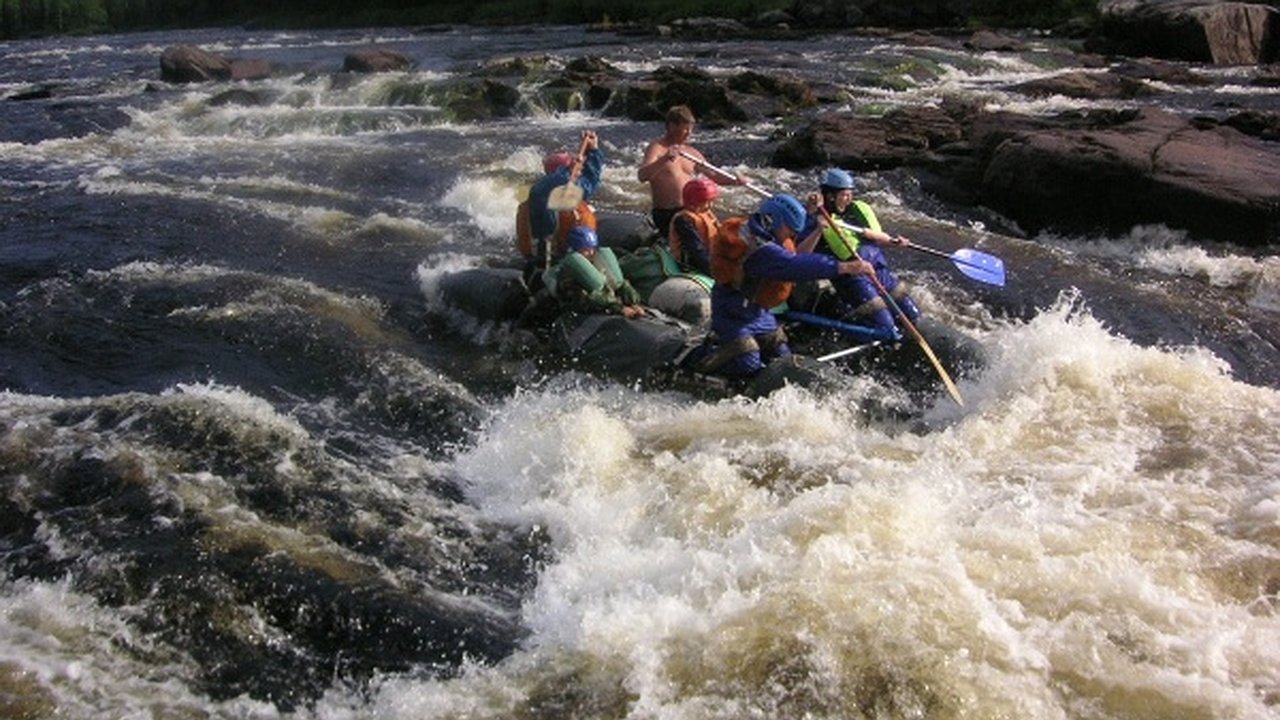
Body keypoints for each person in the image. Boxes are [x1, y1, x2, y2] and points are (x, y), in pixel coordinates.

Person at [698, 194, 873, 378]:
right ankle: (693, 364)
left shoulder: (769, 232)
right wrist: (845, 267)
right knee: (747, 362)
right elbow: (794, 265)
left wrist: (810, 212)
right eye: (790, 230)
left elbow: (794, 243)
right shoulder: (758, 249)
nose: (793, 236)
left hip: (758, 312)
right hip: (732, 313)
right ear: (774, 220)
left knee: (783, 358)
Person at [802, 168, 922, 331]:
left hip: (878, 271)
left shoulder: (857, 210)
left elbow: (879, 238)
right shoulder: (815, 218)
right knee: (884, 326)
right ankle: (842, 326)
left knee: (911, 313)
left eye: (850, 193)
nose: (849, 198)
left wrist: (896, 242)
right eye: (845, 194)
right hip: (852, 279)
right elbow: (799, 255)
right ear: (830, 196)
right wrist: (818, 230)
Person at [636, 105, 746, 236]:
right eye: (685, 128)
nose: (689, 133)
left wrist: (735, 180)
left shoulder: (692, 153)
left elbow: (715, 176)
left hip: (691, 211)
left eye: (691, 129)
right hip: (667, 213)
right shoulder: (657, 148)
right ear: (671, 126)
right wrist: (665, 159)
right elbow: (642, 176)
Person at [516, 130, 605, 284]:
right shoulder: (564, 189)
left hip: (535, 257)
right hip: (560, 258)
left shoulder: (531, 199)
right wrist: (594, 151)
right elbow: (591, 182)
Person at [548, 226, 645, 319]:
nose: (590, 253)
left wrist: (633, 302)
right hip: (579, 312)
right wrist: (619, 308)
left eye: (592, 249)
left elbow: (618, 284)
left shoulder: (594, 264)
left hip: (609, 304)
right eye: (585, 250)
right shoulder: (569, 274)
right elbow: (588, 299)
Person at [667, 177, 719, 276]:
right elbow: (696, 249)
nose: (710, 206)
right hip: (690, 262)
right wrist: (713, 271)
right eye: (706, 202)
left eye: (711, 201)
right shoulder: (683, 220)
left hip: (709, 255)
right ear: (693, 202)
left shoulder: (707, 213)